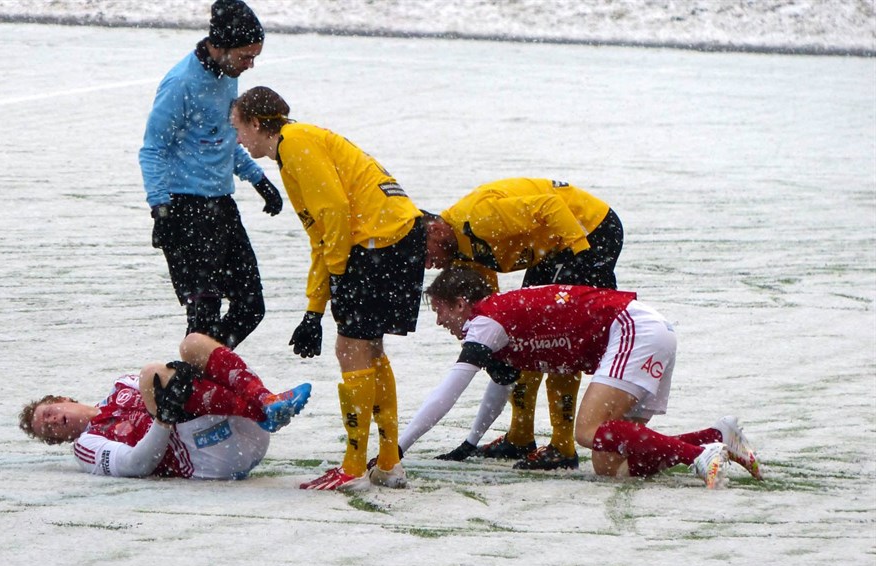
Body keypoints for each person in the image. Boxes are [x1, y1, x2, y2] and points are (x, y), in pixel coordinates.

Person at [398, 268, 763, 488]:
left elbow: (448, 391)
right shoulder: (497, 327)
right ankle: (716, 437)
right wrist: (470, 443)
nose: (439, 321)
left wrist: (398, 448)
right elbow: (500, 387)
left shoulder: (485, 321)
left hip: (633, 328)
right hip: (649, 329)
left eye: (440, 310)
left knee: (586, 431)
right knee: (611, 465)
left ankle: (699, 456)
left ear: (461, 303)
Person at [230, 86, 426, 490]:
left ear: (256, 123)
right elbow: (322, 235)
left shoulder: (295, 144)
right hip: (397, 236)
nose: (238, 139)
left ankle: (354, 466)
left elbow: (333, 213)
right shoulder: (298, 143)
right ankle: (388, 462)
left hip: (378, 242)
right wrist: (314, 310)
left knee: (352, 349)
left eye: (238, 128)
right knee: (369, 349)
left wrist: (337, 276)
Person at [423, 177, 624, 471]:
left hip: (587, 230)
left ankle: (562, 447)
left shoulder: (479, 218)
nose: (429, 265)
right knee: (523, 335)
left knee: (558, 338)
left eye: (426, 255)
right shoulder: (460, 250)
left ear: (435, 230)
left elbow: (551, 206)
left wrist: (581, 258)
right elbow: (491, 309)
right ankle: (520, 436)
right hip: (549, 244)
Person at [139, 0, 283, 349]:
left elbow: (222, 139)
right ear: (223, 45)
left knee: (251, 306)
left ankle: (195, 373)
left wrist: (258, 179)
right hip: (183, 210)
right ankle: (193, 376)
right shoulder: (180, 83)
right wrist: (160, 209)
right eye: (246, 57)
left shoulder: (227, 77)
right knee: (203, 316)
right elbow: (152, 149)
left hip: (221, 207)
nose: (250, 66)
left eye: (254, 58)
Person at [19, 333, 311, 480]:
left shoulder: (120, 385)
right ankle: (260, 408)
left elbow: (173, 381)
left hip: (245, 429)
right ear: (58, 440)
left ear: (63, 399)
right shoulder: (86, 445)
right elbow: (136, 465)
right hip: (214, 458)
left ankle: (266, 402)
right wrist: (163, 420)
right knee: (152, 374)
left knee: (192, 343)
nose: (53, 422)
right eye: (49, 431)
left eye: (49, 414)